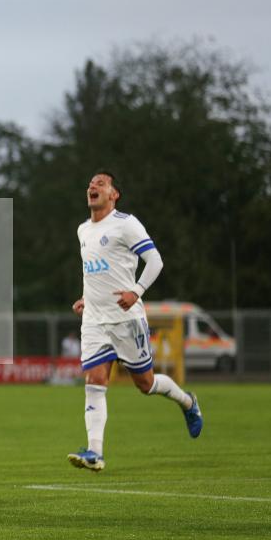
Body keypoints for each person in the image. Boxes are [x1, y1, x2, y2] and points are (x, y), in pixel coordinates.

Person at [68, 170, 203, 472]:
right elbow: (95, 271)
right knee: (94, 382)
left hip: (126, 319)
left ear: (114, 194)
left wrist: (136, 291)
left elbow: (155, 261)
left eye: (101, 183)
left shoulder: (126, 224)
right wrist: (87, 298)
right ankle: (94, 452)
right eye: (90, 183)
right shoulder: (82, 230)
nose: (93, 186)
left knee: (146, 384)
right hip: (94, 321)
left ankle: (187, 402)